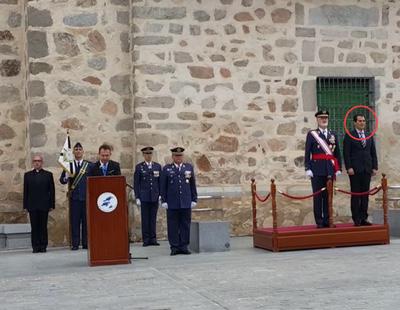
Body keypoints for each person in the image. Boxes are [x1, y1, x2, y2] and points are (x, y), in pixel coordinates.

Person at [304, 110, 341, 228]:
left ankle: (327, 220)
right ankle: (319, 221)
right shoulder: (312, 134)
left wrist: (337, 168)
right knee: (318, 196)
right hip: (316, 169)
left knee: (328, 197)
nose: (324, 120)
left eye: (326, 117)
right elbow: (307, 152)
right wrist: (307, 168)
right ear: (317, 120)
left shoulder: (332, 134)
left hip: (329, 169)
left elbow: (337, 153)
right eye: (321, 118)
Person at [160, 147, 197, 255]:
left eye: (180, 155)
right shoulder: (167, 169)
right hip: (172, 202)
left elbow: (192, 185)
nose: (178, 157)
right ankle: (174, 247)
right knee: (173, 225)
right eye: (176, 155)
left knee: (185, 225)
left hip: (185, 201)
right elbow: (163, 186)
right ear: (172, 157)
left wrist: (194, 198)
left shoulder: (188, 167)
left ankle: (184, 246)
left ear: (183, 156)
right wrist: (164, 200)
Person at [343, 114, 378, 226]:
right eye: (359, 121)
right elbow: (346, 153)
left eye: (363, 120)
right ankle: (356, 219)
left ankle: (364, 218)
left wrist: (374, 167)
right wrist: (349, 167)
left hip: (366, 169)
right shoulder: (350, 135)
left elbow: (373, 152)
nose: (362, 122)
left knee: (365, 195)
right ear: (355, 122)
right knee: (356, 195)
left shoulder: (368, 135)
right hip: (355, 170)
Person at [60, 142, 92, 250]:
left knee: (86, 221)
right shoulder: (69, 165)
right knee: (75, 221)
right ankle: (75, 243)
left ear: (83, 152)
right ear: (73, 152)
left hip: (86, 198)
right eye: (76, 149)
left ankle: (86, 243)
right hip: (74, 198)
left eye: (80, 149)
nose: (78, 151)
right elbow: (62, 181)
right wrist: (66, 175)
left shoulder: (89, 165)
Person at [23, 155, 55, 253]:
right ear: (33, 163)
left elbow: (52, 191)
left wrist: (52, 204)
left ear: (42, 162)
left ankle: (43, 245)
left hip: (44, 205)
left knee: (43, 226)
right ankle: (35, 246)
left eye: (39, 161)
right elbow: (26, 191)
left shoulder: (48, 175)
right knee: (34, 227)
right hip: (32, 205)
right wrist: (25, 205)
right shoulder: (27, 175)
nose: (37, 163)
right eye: (35, 161)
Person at [133, 147, 162, 247]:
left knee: (153, 218)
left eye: (150, 153)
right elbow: (136, 183)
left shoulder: (157, 166)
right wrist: (137, 197)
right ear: (143, 155)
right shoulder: (139, 167)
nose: (148, 155)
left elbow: (160, 182)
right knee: (145, 218)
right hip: (144, 197)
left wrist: (160, 194)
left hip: (154, 196)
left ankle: (153, 238)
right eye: (146, 154)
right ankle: (146, 239)